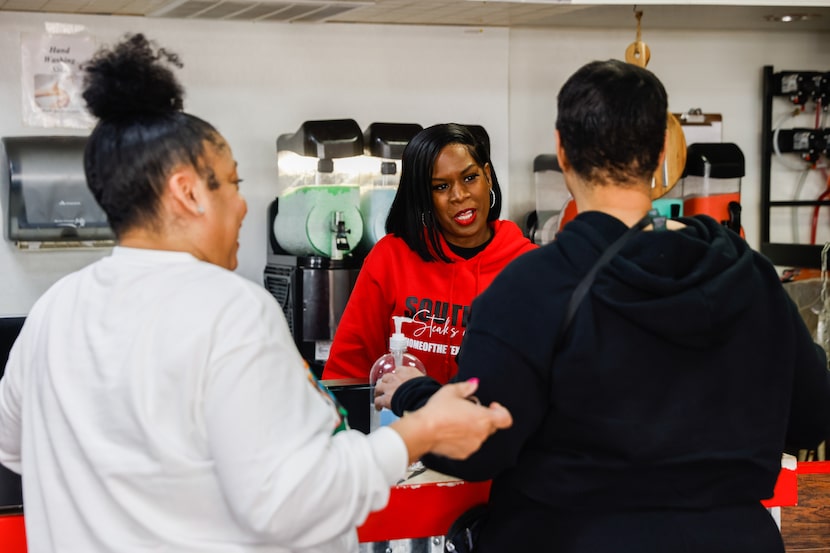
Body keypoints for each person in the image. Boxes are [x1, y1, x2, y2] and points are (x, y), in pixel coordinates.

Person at [0, 34, 512, 553]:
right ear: (187, 192)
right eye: (232, 183)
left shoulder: (52, 312)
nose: (244, 208)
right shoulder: (230, 311)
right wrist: (421, 431)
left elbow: (16, 450)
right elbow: (298, 498)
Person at [376, 59, 830, 552]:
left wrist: (410, 392)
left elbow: (474, 447)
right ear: (661, 154)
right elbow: (812, 417)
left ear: (562, 152)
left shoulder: (532, 287)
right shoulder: (751, 276)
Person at [322, 123, 536, 384]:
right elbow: (346, 371)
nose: (459, 195)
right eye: (440, 187)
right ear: (423, 196)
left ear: (488, 176)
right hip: (403, 423)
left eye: (470, 178)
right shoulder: (391, 257)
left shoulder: (528, 266)